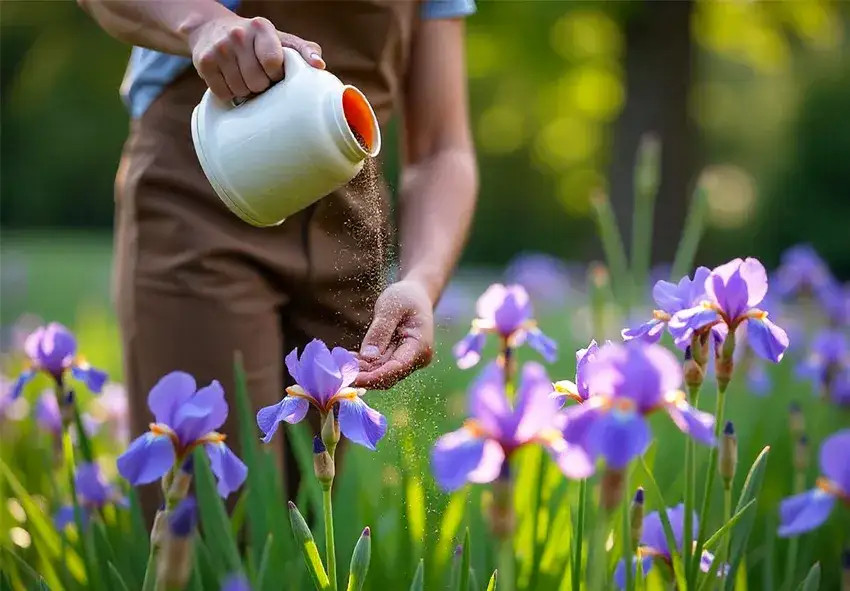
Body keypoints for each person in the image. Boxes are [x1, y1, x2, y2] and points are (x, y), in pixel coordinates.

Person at [77, 0, 479, 522]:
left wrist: (422, 280)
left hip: (350, 234)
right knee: (212, 522)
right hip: (206, 191)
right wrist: (205, 23)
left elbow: (442, 147)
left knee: (311, 528)